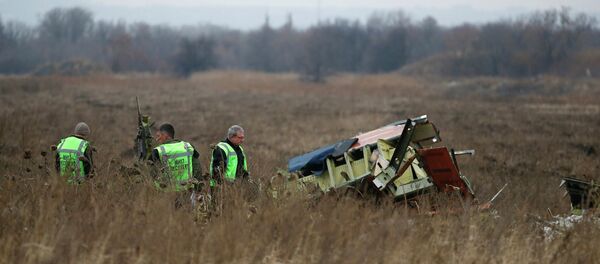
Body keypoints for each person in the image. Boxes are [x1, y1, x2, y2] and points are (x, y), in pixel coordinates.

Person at [151, 123, 202, 191]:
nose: (157, 139)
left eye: (159, 136)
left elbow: (152, 174)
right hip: (187, 190)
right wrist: (198, 188)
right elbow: (197, 168)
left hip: (166, 193)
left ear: (166, 136)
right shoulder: (188, 146)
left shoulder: (158, 151)